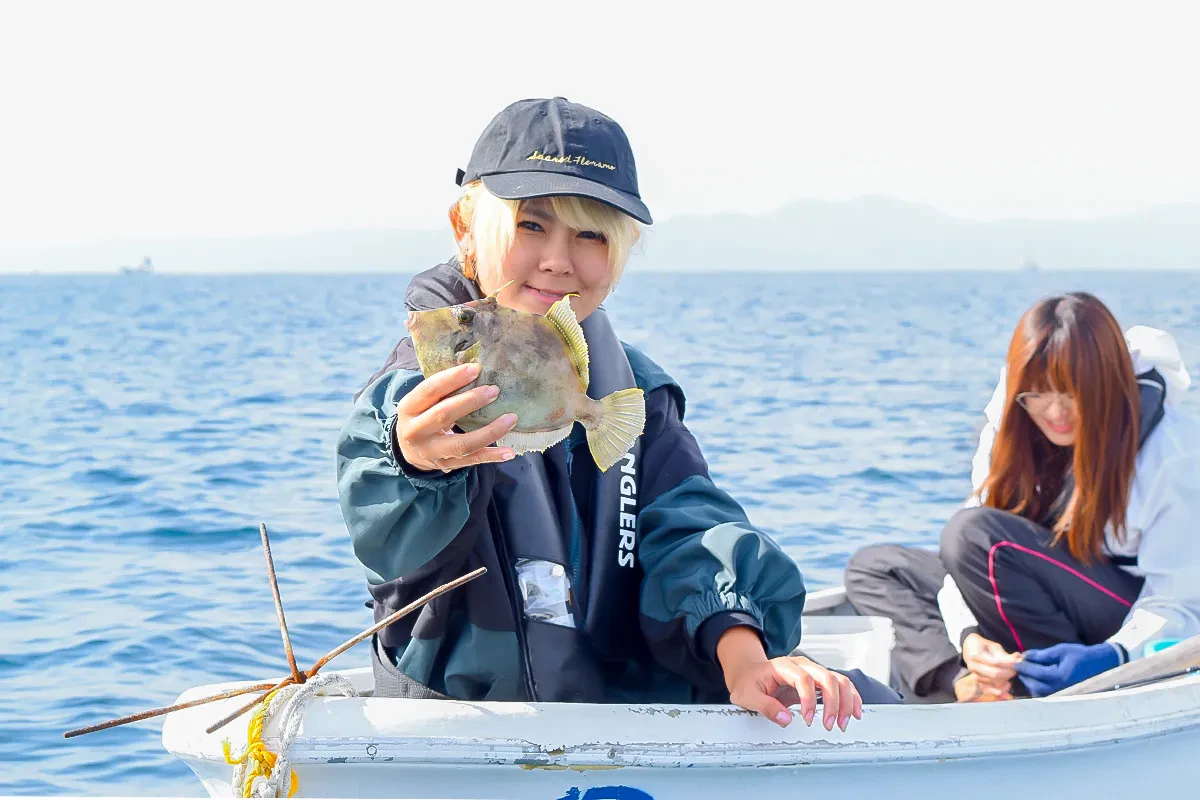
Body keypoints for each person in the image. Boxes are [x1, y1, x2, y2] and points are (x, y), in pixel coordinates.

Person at [337, 97, 890, 730]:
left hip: (622, 703)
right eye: (531, 225)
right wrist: (415, 459)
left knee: (869, 700)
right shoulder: (420, 382)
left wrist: (742, 655)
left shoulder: (637, 392)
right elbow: (380, 508)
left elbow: (684, 522)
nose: (558, 259)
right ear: (466, 229)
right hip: (470, 724)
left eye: (591, 234)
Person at [846, 292, 1200, 701]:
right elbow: (961, 558)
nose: (1055, 413)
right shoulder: (1010, 423)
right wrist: (968, 636)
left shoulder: (1174, 452)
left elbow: (1183, 602)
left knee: (977, 539)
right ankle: (970, 683)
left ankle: (1041, 686)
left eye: (1073, 394)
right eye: (1038, 395)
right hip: (1032, 589)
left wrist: (1116, 655)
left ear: (1107, 382)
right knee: (876, 568)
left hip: (1123, 617)